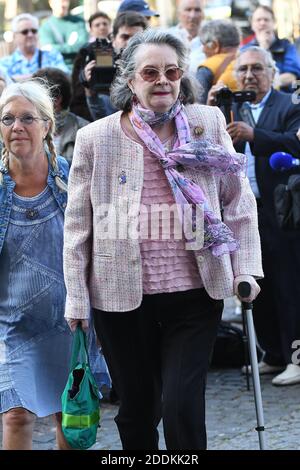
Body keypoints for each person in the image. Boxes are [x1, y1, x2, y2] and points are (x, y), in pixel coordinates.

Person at [63, 29, 263, 450]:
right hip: (119, 298)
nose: (162, 80)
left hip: (194, 293)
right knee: (137, 410)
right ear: (130, 80)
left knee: (181, 406)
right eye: (149, 72)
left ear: (182, 76)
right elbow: (78, 226)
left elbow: (239, 204)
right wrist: (77, 299)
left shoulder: (206, 124)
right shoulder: (95, 138)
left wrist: (245, 270)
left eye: (171, 71)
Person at [208, 46, 300, 386]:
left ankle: (295, 357)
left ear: (272, 73)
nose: (249, 75)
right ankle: (272, 353)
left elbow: (295, 142)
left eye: (257, 68)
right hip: (243, 211)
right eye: (243, 69)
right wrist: (213, 104)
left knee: (289, 284)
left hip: (283, 209)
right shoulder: (231, 106)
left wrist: (255, 136)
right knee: (254, 283)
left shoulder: (288, 103)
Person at [0, 79, 72, 450]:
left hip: (71, 320)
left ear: (47, 124)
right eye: (7, 118)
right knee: (15, 413)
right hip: (11, 324)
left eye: (27, 118)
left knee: (71, 416)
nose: (17, 127)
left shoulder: (71, 178)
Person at [76, 11, 147, 121]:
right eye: (125, 37)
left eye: (136, 38)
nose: (131, 43)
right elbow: (103, 118)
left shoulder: (158, 67)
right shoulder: (100, 55)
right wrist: (89, 89)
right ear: (113, 39)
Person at [33, 67, 89, 165]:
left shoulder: (85, 131)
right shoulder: (26, 129)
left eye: (37, 99)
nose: (30, 103)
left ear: (57, 100)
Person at [241, 5, 300, 91]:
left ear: (274, 23)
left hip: (283, 98)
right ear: (252, 24)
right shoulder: (245, 50)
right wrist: (263, 48)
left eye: (266, 19)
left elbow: (291, 76)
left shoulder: (287, 46)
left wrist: (265, 83)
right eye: (258, 20)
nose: (262, 23)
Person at [0, 13, 68, 82]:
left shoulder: (52, 56)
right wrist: (43, 78)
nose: (30, 35)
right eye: (25, 32)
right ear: (15, 36)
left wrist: (14, 79)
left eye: (34, 31)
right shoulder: (5, 63)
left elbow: (64, 76)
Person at [197, 19, 240, 103]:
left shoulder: (206, 68)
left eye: (204, 44)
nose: (203, 50)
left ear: (215, 45)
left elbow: (198, 105)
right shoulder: (253, 60)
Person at [39, 0, 88, 72]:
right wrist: (71, 47)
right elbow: (48, 50)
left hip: (79, 69)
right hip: (56, 71)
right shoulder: (45, 26)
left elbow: (82, 46)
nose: (62, 4)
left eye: (64, 0)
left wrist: (57, 47)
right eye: (58, 1)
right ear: (51, 3)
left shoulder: (78, 22)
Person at [168, 0, 205, 75]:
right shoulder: (168, 37)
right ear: (179, 14)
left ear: (203, 14)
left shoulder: (211, 37)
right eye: (188, 10)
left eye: (197, 10)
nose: (192, 15)